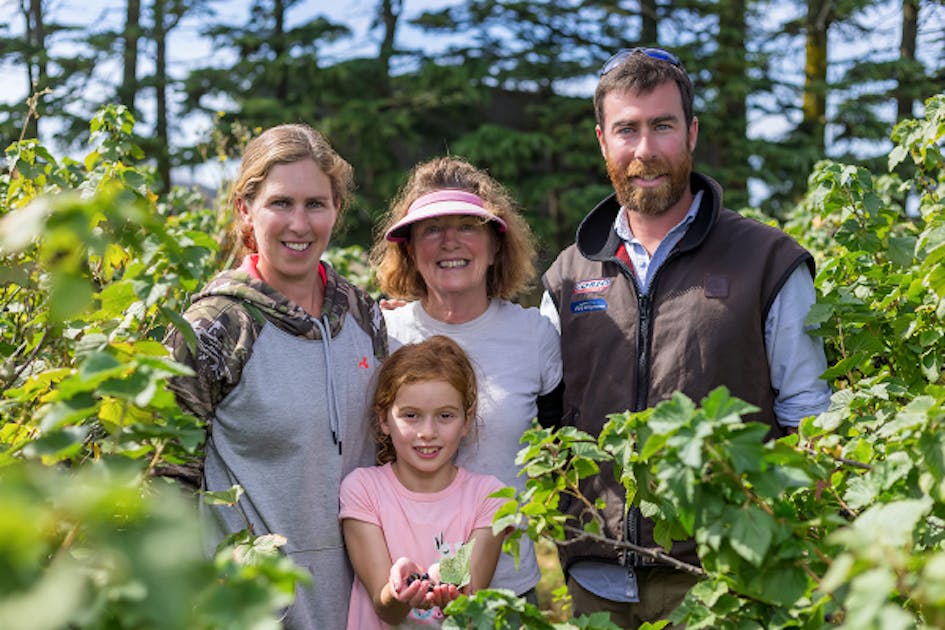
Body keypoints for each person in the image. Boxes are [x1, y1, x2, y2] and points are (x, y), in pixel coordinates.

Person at [540, 48, 832, 627]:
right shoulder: (568, 275)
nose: (644, 150)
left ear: (691, 133)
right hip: (595, 579)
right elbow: (534, 409)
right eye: (627, 130)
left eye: (663, 126)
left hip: (725, 580)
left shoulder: (767, 262)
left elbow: (810, 421)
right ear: (603, 142)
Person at [164, 123, 388, 630]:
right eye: (280, 203)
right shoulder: (217, 327)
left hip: (362, 603)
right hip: (249, 610)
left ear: (337, 208)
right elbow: (165, 481)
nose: (299, 224)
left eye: (316, 204)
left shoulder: (364, 316)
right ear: (245, 209)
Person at [371, 156, 562, 604]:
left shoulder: (534, 337)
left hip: (508, 589)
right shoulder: (382, 336)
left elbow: (562, 450)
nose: (450, 241)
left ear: (496, 247)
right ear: (410, 250)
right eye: (432, 229)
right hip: (402, 586)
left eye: (468, 226)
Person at [340, 335, 508, 628]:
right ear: (384, 419)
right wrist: (398, 593)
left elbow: (470, 612)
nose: (428, 432)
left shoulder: (489, 496)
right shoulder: (363, 489)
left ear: (467, 420)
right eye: (411, 415)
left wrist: (453, 597)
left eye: (445, 415)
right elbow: (385, 610)